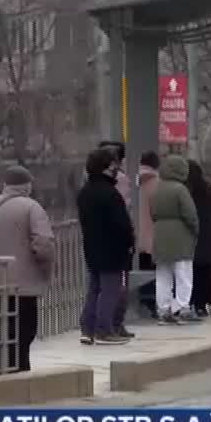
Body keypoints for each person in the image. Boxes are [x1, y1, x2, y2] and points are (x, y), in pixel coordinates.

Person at [0, 165, 55, 373]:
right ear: (27, 186)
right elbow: (44, 244)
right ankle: (17, 376)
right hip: (22, 288)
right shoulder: (32, 208)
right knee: (21, 335)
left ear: (5, 185)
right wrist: (46, 270)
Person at [77, 148, 134, 345]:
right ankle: (104, 330)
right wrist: (129, 242)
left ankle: (88, 329)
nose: (116, 168)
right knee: (111, 290)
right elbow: (122, 224)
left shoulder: (84, 193)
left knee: (94, 289)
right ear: (107, 167)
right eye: (114, 164)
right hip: (113, 249)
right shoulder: (110, 193)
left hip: (92, 247)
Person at [150, 154, 200, 324]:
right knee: (183, 274)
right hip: (181, 236)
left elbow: (153, 213)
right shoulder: (180, 189)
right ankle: (181, 307)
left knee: (163, 275)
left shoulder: (157, 189)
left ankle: (163, 310)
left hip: (160, 235)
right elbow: (190, 215)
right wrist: (195, 230)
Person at [97, 141, 134, 336]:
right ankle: (113, 324)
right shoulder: (119, 180)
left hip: (97, 240)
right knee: (118, 284)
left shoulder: (90, 180)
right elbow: (124, 210)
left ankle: (98, 325)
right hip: (117, 241)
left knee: (98, 286)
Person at [186, 159, 211, 317]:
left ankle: (198, 304)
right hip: (209, 234)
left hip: (193, 235)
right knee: (209, 271)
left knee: (195, 272)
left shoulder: (187, 191)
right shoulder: (210, 189)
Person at [137, 151, 162, 318]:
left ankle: (142, 301)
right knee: (153, 272)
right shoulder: (157, 184)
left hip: (135, 235)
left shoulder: (132, 180)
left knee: (138, 269)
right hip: (153, 236)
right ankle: (152, 304)